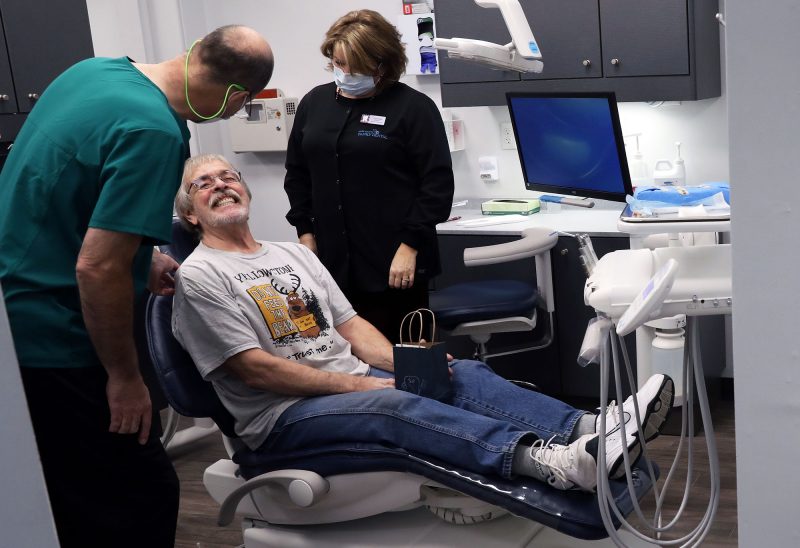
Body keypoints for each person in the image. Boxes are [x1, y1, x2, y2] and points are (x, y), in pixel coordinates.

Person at [173, 154, 675, 494]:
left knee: (461, 374)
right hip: (280, 416)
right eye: (204, 184)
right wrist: (357, 385)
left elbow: (350, 326)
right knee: (395, 402)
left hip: (348, 383)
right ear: (190, 213)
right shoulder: (200, 276)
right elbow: (255, 371)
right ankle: (553, 464)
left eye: (229, 176)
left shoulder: (291, 254)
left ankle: (595, 428)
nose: (221, 186)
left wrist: (411, 362)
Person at [0, 27, 273, 548]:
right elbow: (97, 269)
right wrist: (124, 378)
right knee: (137, 496)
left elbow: (66, 196)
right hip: (54, 335)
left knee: (68, 491)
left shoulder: (93, 72)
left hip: (13, 315)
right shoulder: (156, 131)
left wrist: (141, 258)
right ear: (237, 98)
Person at [284, 10, 455, 343]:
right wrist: (305, 234)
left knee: (406, 360)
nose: (345, 73)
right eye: (338, 63)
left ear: (382, 63)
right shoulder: (314, 104)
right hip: (332, 262)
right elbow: (298, 173)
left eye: (355, 66)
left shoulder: (413, 108)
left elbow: (436, 185)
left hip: (396, 263)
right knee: (348, 359)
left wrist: (410, 246)